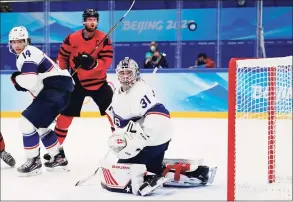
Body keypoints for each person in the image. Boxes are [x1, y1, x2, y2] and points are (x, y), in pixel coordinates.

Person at [100, 57, 217, 196]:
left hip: (152, 140)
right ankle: (195, 173)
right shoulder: (119, 94)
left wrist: (140, 139)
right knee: (147, 166)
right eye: (122, 73)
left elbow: (160, 114)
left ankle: (146, 179)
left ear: (136, 73)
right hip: (153, 140)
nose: (125, 77)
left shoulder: (140, 90)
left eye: (129, 73)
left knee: (122, 168)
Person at [44, 8, 114, 161]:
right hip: (76, 82)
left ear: (97, 21)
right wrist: (63, 74)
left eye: (94, 19)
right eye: (89, 19)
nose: (92, 22)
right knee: (64, 117)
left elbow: (107, 61)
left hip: (99, 83)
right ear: (84, 21)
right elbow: (62, 56)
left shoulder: (104, 39)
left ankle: (125, 147)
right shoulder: (72, 38)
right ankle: (55, 152)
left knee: (114, 114)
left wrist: (93, 63)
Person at [9, 26, 74, 176]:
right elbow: (35, 83)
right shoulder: (27, 54)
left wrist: (16, 78)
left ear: (26, 41)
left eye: (20, 41)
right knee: (40, 125)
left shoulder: (28, 52)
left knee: (25, 122)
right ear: (10, 44)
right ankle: (58, 157)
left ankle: (34, 161)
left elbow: (30, 80)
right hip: (59, 91)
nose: (17, 45)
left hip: (55, 89)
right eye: (14, 42)